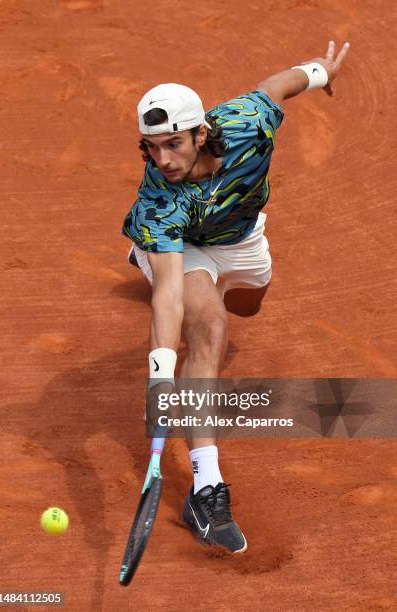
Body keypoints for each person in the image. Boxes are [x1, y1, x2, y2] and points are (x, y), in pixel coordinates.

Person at [122, 40, 350, 553]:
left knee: (246, 306)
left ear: (203, 132)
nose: (163, 160)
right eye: (150, 147)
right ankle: (206, 488)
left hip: (244, 239)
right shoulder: (157, 200)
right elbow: (169, 303)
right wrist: (161, 369)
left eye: (174, 144)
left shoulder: (247, 122)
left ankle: (187, 285)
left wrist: (318, 72)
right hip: (184, 248)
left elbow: (278, 86)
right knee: (208, 327)